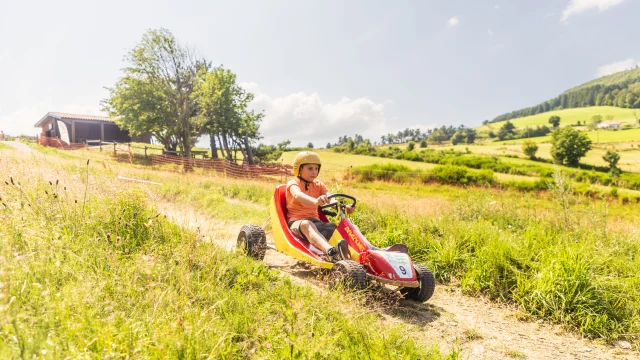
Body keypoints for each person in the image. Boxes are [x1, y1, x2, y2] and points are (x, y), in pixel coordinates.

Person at [286, 151, 353, 262]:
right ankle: (331, 252)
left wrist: (343, 207)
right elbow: (298, 195)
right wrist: (315, 201)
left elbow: (330, 198)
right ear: (300, 169)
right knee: (307, 224)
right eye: (310, 168)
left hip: (316, 223)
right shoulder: (293, 183)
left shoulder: (318, 185)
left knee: (334, 226)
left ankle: (354, 253)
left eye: (316, 169)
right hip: (297, 223)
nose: (314, 172)